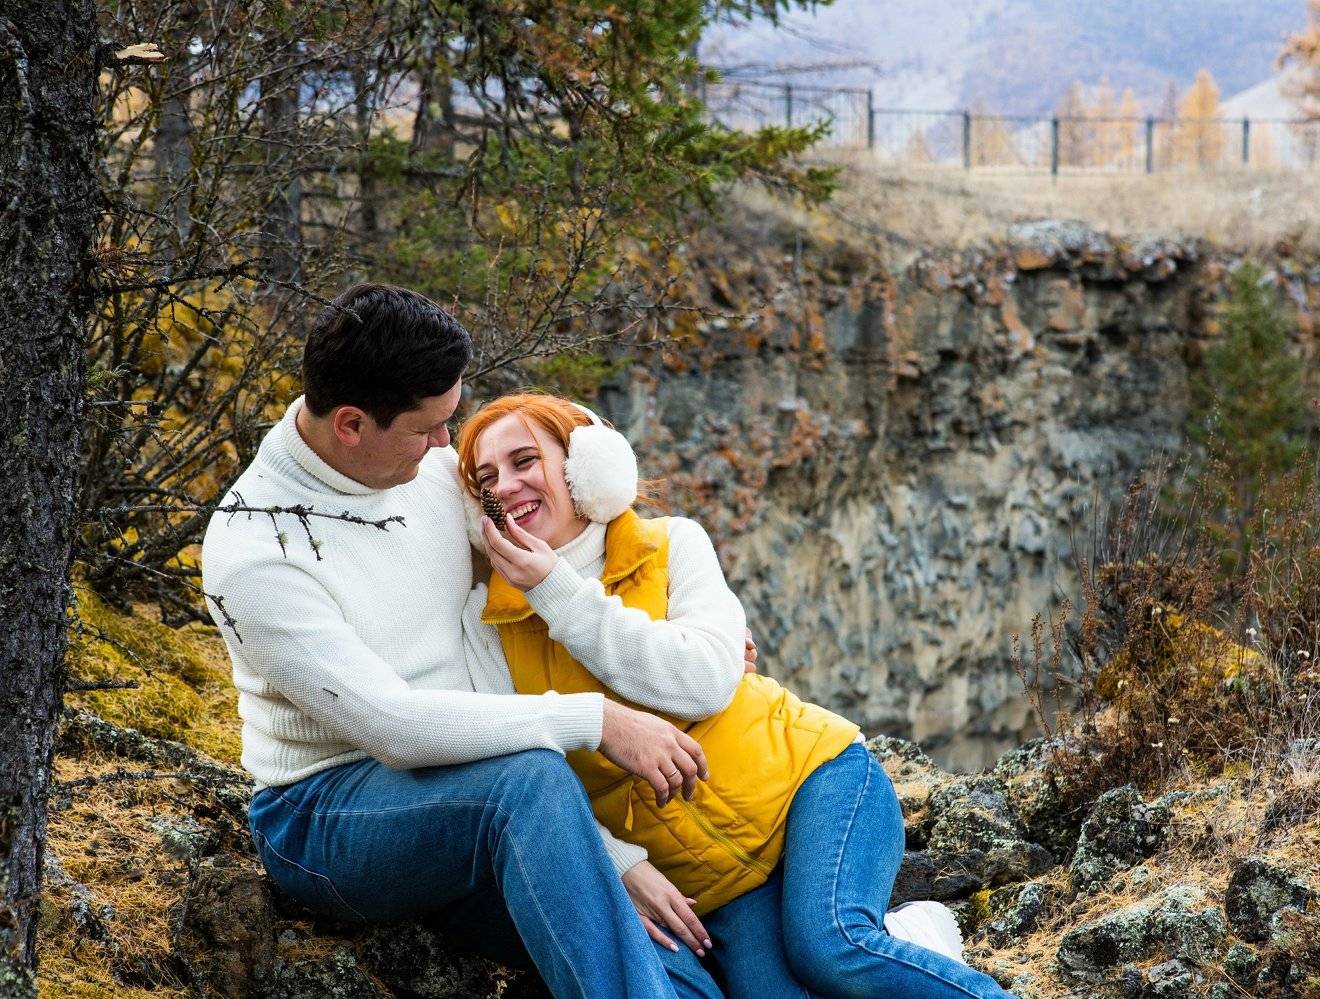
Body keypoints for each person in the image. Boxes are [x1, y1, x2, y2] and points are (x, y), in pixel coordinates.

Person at [200, 284, 732, 998]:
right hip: (329, 815)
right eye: (429, 427)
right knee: (530, 781)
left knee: (676, 963)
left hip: (476, 793)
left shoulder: (419, 469)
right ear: (352, 424)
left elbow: (556, 553)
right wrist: (598, 720)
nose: (447, 446)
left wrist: (697, 628)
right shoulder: (255, 550)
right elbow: (395, 726)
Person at [456, 393, 1018, 999]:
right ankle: (911, 941)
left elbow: (705, 680)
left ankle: (908, 949)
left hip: (812, 785)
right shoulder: (486, 624)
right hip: (719, 882)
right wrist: (621, 863)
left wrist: (557, 593)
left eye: (524, 461)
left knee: (833, 947)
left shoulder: (673, 544)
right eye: (486, 479)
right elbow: (526, 773)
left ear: (586, 468)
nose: (505, 486)